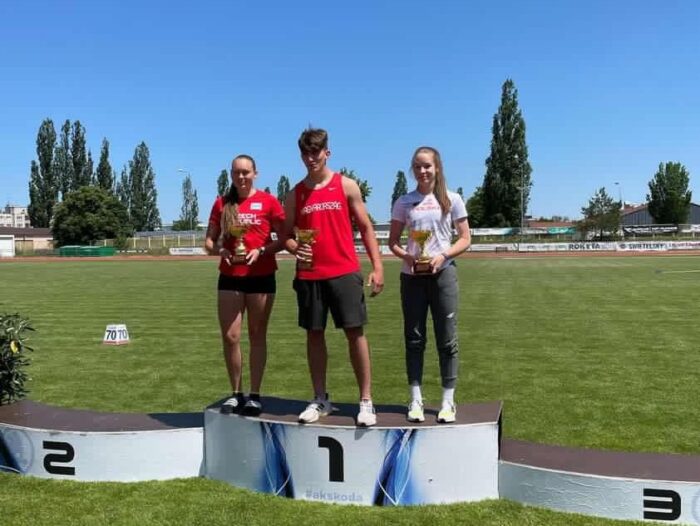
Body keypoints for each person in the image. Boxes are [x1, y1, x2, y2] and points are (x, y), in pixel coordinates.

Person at [283, 127, 384, 427]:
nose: (311, 158)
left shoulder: (347, 185)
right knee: (314, 334)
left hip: (344, 272)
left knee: (355, 334)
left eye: (316, 152)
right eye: (306, 153)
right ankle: (320, 398)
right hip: (310, 275)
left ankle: (365, 400)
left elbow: (366, 228)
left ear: (327, 152)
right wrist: (294, 247)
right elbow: (286, 235)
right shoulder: (295, 194)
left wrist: (377, 267)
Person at [388, 146, 471, 424]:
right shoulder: (404, 201)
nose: (422, 171)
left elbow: (465, 238)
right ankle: (415, 400)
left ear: (437, 167)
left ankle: (448, 401)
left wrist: (443, 255)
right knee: (414, 339)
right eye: (417, 166)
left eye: (427, 166)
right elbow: (393, 243)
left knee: (447, 340)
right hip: (412, 278)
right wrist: (410, 257)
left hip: (443, 275)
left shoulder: (452, 199)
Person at [205, 154, 285, 416]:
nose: (241, 177)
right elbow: (209, 242)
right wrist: (221, 251)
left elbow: (283, 239)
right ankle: (236, 393)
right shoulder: (222, 203)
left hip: (262, 276)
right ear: (231, 174)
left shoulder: (268, 202)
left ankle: (255, 394)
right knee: (231, 337)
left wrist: (261, 250)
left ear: (255, 173)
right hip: (230, 276)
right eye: (236, 172)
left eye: (246, 172)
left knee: (256, 335)